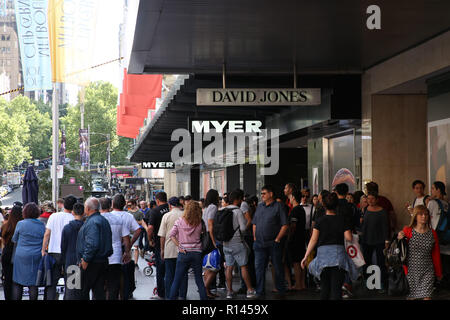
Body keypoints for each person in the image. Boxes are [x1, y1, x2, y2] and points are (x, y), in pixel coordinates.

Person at [301, 193, 357, 300]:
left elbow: (313, 240)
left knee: (325, 289)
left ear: (324, 205)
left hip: (323, 258)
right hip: (338, 257)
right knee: (336, 290)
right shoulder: (342, 219)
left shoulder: (320, 221)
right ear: (336, 205)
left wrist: (306, 256)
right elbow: (349, 238)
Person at [398, 205, 442, 300]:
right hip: (411, 271)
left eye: (426, 214)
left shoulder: (432, 233)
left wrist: (438, 273)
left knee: (427, 297)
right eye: (420, 214)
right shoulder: (408, 230)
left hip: (427, 270)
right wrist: (400, 238)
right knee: (412, 297)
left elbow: (436, 255)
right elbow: (401, 249)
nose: (424, 216)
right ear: (415, 216)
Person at [252, 185, 288, 298]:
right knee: (259, 268)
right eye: (261, 193)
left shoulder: (279, 206)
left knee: (277, 267)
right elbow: (254, 223)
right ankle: (259, 292)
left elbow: (285, 225)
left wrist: (277, 239)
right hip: (259, 243)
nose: (262, 195)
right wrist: (255, 237)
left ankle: (281, 290)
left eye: (264, 193)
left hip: (273, 243)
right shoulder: (260, 206)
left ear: (271, 194)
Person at [168, 201, 207, 300]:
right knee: (199, 280)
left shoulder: (179, 221)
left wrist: (179, 246)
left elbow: (171, 235)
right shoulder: (200, 222)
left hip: (183, 253)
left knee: (177, 280)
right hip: (197, 252)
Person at [76, 197, 113, 300]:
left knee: (83, 292)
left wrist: (86, 260)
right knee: (98, 291)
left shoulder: (92, 222)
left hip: (92, 262)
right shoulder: (102, 220)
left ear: (87, 208)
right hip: (101, 261)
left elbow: (92, 244)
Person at [41, 194, 77, 300]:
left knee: (51, 283)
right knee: (72, 284)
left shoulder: (53, 216)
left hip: (53, 252)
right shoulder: (75, 219)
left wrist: (43, 249)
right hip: (71, 254)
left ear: (63, 205)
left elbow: (47, 234)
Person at [222, 190, 256, 299]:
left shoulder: (223, 210)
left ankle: (229, 292)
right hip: (237, 243)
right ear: (238, 199)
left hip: (225, 244)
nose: (242, 201)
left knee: (229, 267)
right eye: (241, 199)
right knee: (243, 266)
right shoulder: (238, 211)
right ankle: (250, 290)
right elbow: (242, 228)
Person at [110, 194, 141, 300]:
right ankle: (124, 294)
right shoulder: (128, 216)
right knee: (123, 273)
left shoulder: (109, 216)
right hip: (124, 247)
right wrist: (131, 243)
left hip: (112, 249)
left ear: (113, 204)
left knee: (111, 273)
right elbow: (138, 230)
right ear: (124, 204)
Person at [11, 203, 46, 300]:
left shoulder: (20, 224)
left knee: (17, 282)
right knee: (33, 283)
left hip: (21, 256)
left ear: (25, 212)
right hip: (36, 256)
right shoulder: (42, 225)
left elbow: (14, 239)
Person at [101, 197, 131, 300]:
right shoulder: (118, 219)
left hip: (100, 256)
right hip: (116, 256)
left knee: (101, 283)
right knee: (114, 284)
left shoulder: (97, 219)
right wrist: (127, 252)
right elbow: (126, 238)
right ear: (111, 205)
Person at [158, 196, 187, 299]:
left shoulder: (166, 216)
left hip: (169, 249)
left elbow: (162, 235)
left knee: (169, 275)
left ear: (170, 205)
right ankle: (182, 295)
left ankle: (170, 296)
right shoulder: (185, 215)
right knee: (183, 275)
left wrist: (162, 250)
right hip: (184, 249)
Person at [361, 191, 390, 292]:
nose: (370, 201)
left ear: (377, 200)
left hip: (379, 240)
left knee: (380, 262)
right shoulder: (365, 209)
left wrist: (386, 241)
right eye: (368, 199)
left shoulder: (382, 211)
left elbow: (385, 227)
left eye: (372, 199)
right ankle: (369, 282)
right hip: (366, 239)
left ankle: (382, 283)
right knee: (366, 262)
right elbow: (364, 225)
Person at [427, 181, 450, 288]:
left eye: (432, 188)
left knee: (434, 260)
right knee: (444, 260)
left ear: (438, 190)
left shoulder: (432, 203)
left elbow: (425, 218)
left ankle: (436, 283)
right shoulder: (447, 204)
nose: (431, 190)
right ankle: (445, 282)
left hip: (434, 235)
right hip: (445, 236)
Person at [147, 191, 169, 299]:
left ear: (157, 200)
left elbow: (150, 228)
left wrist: (150, 240)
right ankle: (173, 291)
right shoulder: (171, 209)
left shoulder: (154, 211)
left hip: (159, 243)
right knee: (172, 269)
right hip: (173, 243)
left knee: (160, 269)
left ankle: (161, 293)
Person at [61, 203, 85, 300]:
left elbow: (63, 247)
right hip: (84, 261)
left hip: (70, 261)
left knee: (71, 290)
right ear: (83, 213)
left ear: (72, 212)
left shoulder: (67, 228)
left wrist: (63, 262)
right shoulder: (87, 227)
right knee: (82, 290)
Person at [285, 190, 306, 291]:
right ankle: (302, 283)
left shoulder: (295, 210)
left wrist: (289, 237)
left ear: (293, 197)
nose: (289, 199)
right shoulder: (301, 209)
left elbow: (293, 226)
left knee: (296, 262)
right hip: (301, 238)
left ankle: (298, 284)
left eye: (290, 197)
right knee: (301, 261)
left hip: (296, 239)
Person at [1, 205, 23, 300]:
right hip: (17, 253)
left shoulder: (6, 226)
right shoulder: (21, 225)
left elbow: (2, 238)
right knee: (17, 280)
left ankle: (7, 297)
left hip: (6, 253)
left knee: (7, 279)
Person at [128, 199, 146, 267]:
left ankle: (135, 262)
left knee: (136, 247)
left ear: (134, 204)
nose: (129, 206)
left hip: (136, 232)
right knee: (128, 247)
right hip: (128, 232)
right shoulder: (128, 212)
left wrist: (134, 221)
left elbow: (142, 222)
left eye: (130, 205)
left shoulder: (139, 213)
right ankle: (129, 260)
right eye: (128, 205)